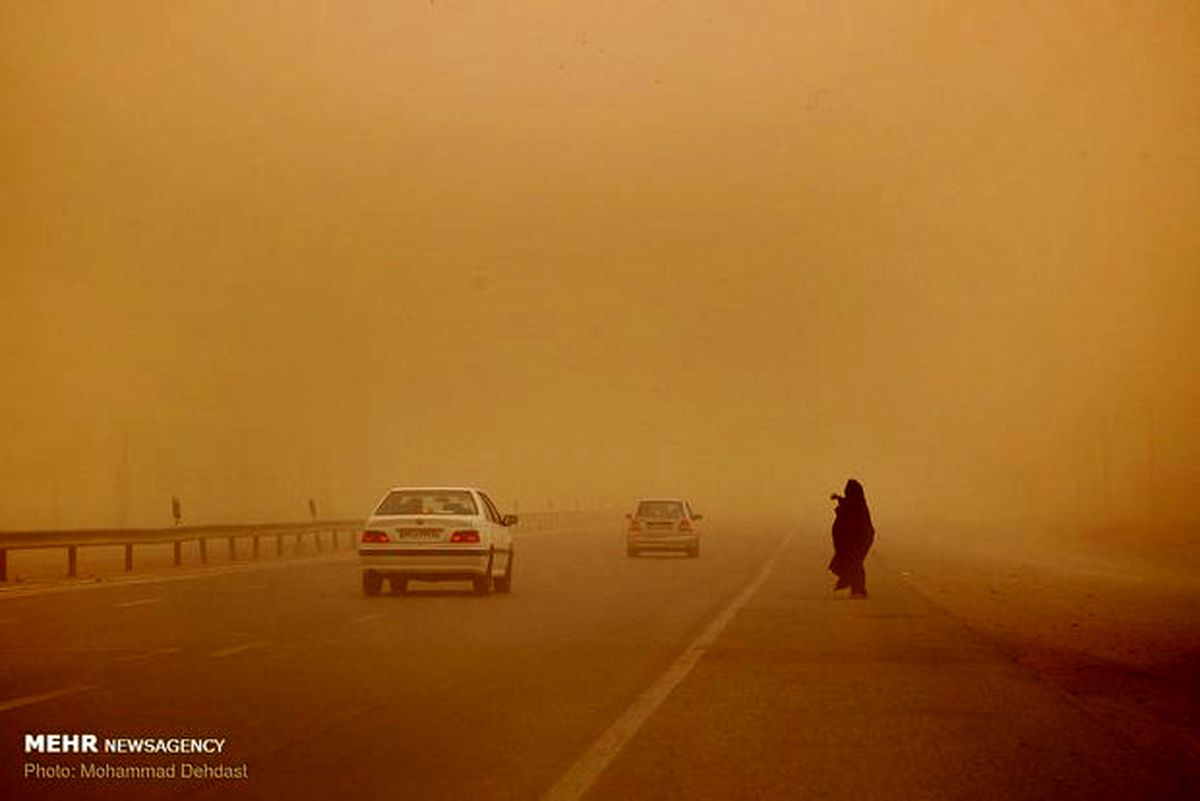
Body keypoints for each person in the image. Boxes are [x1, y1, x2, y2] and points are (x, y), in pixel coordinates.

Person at [828, 479, 875, 598]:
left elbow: (850, 511)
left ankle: (859, 589)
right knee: (853, 562)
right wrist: (839, 498)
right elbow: (847, 505)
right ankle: (857, 589)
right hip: (857, 539)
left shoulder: (857, 504)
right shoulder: (856, 502)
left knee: (855, 562)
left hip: (859, 539)